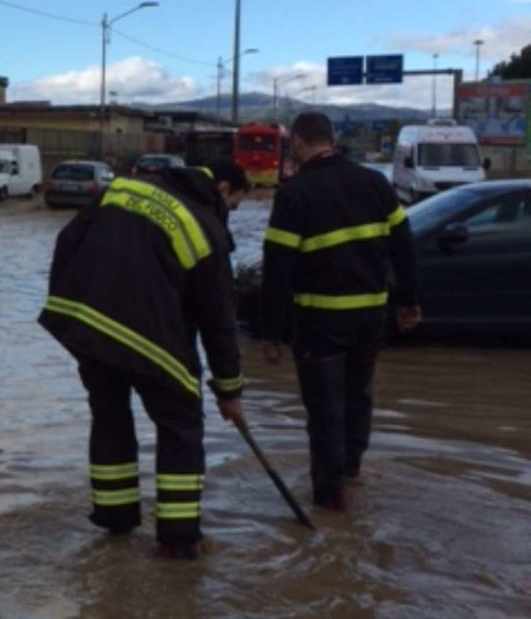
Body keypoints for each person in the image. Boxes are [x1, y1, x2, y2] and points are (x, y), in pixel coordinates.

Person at [39, 160, 249, 559]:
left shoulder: (127, 187)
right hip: (147, 336)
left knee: (110, 417)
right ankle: (180, 539)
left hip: (85, 325)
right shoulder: (206, 229)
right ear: (223, 189)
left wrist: (68, 306)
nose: (230, 216)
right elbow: (219, 321)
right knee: (182, 425)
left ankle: (116, 521)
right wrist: (229, 389)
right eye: (234, 206)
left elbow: (68, 240)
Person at [260, 112, 421, 512]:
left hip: (320, 321)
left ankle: (330, 498)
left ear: (297, 143)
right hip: (370, 317)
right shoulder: (374, 182)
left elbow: (278, 268)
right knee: (358, 396)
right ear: (331, 139)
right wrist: (408, 301)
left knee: (325, 408)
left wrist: (273, 332)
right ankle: (352, 471)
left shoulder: (295, 194)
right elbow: (404, 246)